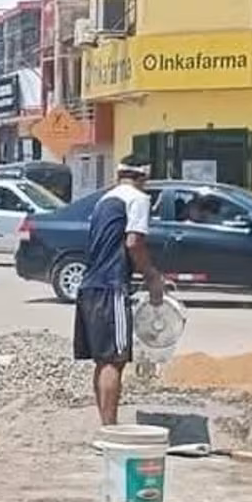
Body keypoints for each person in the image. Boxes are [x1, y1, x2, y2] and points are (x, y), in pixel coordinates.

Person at [73, 155, 164, 426]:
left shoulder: (104, 200)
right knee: (115, 360)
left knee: (103, 361)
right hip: (111, 287)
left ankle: (105, 427)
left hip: (90, 285)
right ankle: (111, 430)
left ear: (118, 175)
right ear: (143, 178)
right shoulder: (137, 199)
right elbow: (134, 242)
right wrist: (152, 277)